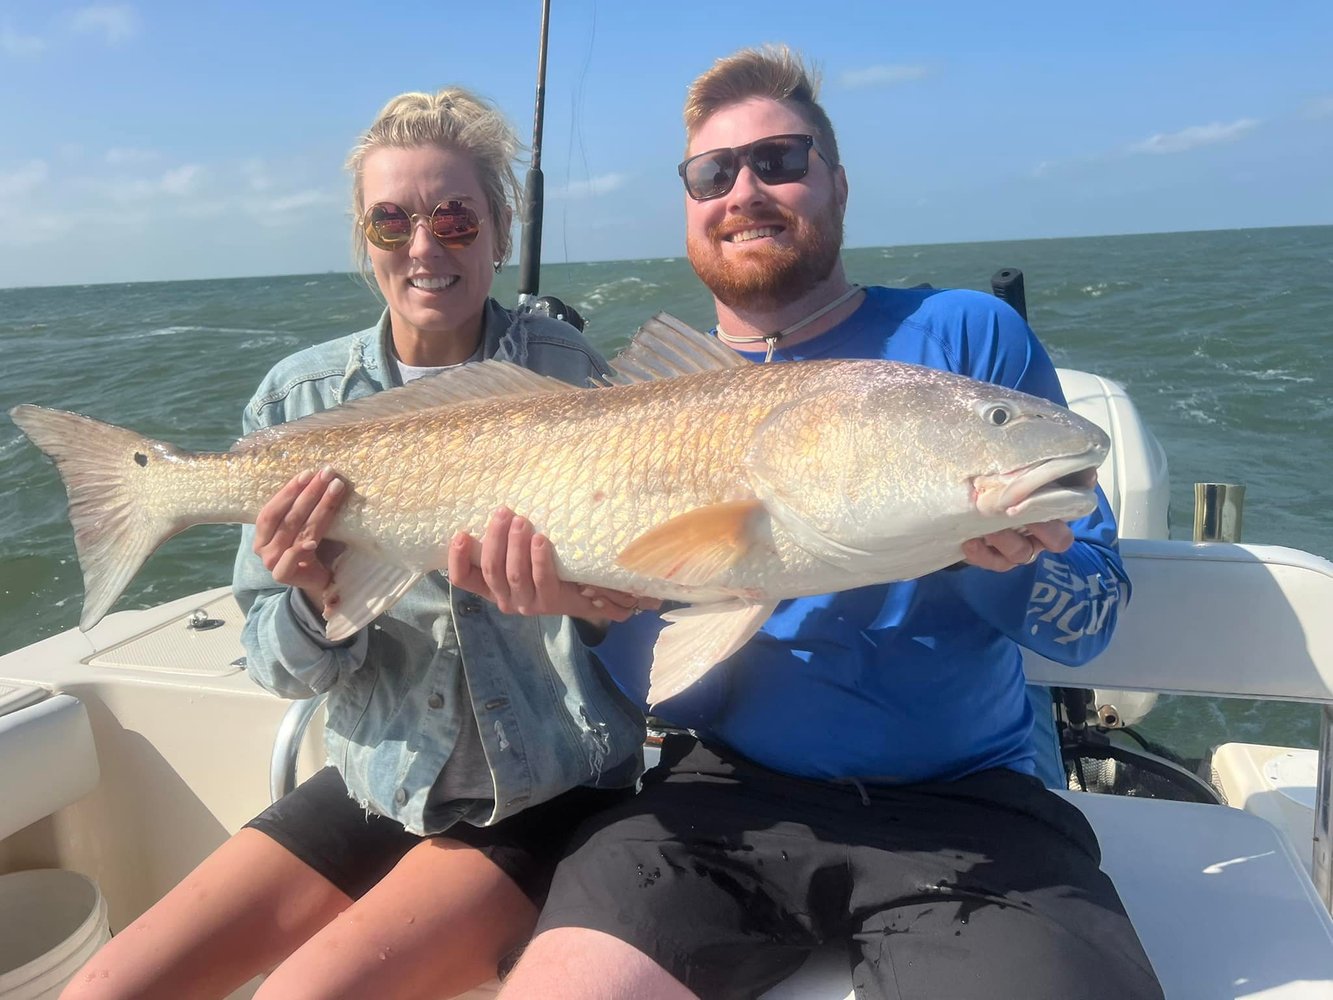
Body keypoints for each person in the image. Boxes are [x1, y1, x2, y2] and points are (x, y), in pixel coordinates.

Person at [455, 47, 1163, 999]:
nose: (745, 189)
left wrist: (999, 565)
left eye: (780, 160)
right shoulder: (639, 408)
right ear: (691, 206)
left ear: (836, 181)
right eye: (714, 174)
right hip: (715, 799)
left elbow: (1091, 621)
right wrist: (585, 612)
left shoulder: (964, 340)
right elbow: (668, 689)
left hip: (965, 810)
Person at [61, 87, 648, 1000]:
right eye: (391, 222)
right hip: (383, 778)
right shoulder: (298, 400)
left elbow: (644, 585)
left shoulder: (573, 376)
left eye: (455, 218)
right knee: (103, 990)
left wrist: (591, 602)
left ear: (499, 229)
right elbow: (276, 664)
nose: (424, 247)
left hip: (549, 784)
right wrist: (318, 604)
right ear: (363, 241)